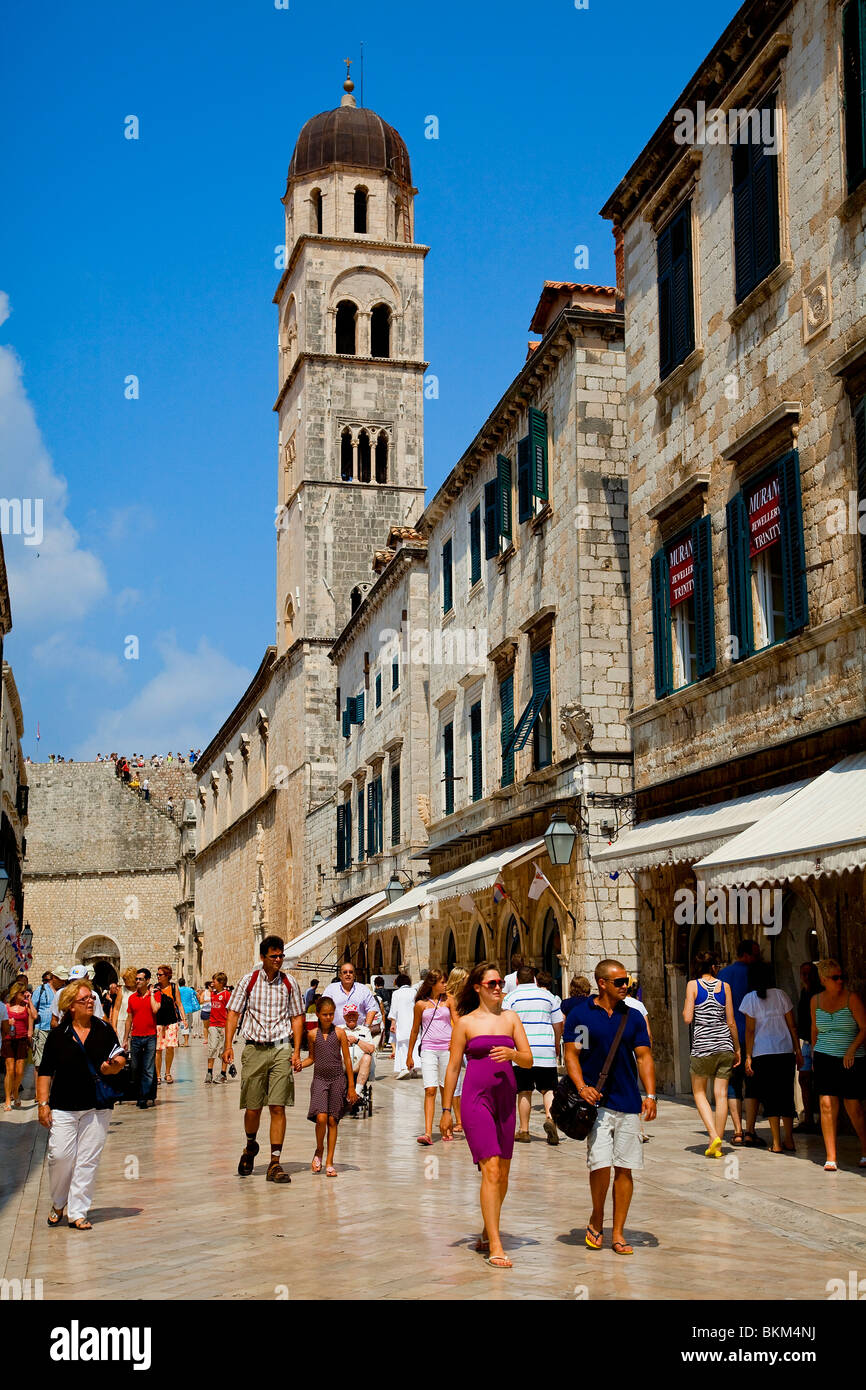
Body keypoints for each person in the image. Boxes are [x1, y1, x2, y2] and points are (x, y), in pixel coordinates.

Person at [441, 963, 532, 1269]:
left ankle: (487, 1227)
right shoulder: (465, 1023)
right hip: (476, 1100)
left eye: (500, 983)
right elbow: (453, 1067)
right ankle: (495, 1244)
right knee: (491, 1169)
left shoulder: (511, 1018)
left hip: (506, 1100)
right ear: (478, 987)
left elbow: (530, 1060)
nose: (497, 988)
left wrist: (513, 1055)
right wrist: (445, 1110)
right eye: (491, 983)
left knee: (503, 1172)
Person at [564, 959, 657, 1256]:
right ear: (602, 983)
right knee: (600, 1164)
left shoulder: (633, 1017)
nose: (625, 986)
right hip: (597, 1102)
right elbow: (572, 1055)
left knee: (626, 1168)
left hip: (628, 1101)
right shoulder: (581, 1016)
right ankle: (596, 1216)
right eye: (619, 982)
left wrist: (651, 1095)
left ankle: (618, 1232)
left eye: (627, 981)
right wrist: (582, 1087)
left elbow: (643, 1057)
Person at [36, 978, 127, 1229]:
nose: (90, 1002)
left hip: (97, 1105)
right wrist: (43, 1104)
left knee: (88, 1159)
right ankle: (58, 1201)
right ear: (71, 1006)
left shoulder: (103, 1029)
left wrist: (114, 1066)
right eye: (84, 999)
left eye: (92, 998)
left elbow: (118, 1057)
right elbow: (45, 1072)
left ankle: (78, 1211)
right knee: (60, 1155)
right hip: (63, 1104)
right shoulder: (58, 1036)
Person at [222, 935, 305, 1184]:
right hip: (254, 1049)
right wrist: (228, 1046)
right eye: (274, 956)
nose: (278, 960)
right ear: (263, 957)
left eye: (281, 956)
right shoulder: (249, 981)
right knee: (253, 1107)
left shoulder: (290, 983)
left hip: (281, 1048)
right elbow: (233, 1013)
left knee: (278, 1106)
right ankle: (250, 1146)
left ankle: (275, 1163)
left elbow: (297, 1017)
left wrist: (296, 1050)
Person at [811, 958, 866, 1172]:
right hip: (825, 1056)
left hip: (850, 1058)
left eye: (842, 976)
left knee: (853, 1107)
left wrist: (851, 1049)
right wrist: (815, 1055)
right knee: (826, 1105)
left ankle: (864, 1150)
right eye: (836, 977)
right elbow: (815, 1029)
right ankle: (831, 1156)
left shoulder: (852, 999)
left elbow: (864, 1027)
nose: (840, 980)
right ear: (824, 979)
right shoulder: (815, 1001)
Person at [682, 951, 739, 1157]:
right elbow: (731, 1020)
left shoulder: (692, 985)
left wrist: (687, 1010)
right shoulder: (725, 987)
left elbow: (688, 1018)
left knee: (699, 1092)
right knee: (721, 1094)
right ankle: (718, 1145)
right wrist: (737, 1048)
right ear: (714, 966)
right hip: (724, 1044)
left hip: (703, 1047)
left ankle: (713, 1134)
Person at [741, 961, 801, 1154]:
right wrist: (797, 1051)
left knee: (770, 1097)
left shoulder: (750, 999)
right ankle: (789, 1139)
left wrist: (748, 1056)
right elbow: (792, 1026)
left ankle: (776, 1142)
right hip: (784, 1051)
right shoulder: (781, 995)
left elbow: (750, 1031)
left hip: (762, 1053)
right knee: (786, 1094)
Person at [503, 965, 564, 1145]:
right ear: (535, 979)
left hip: (522, 1051)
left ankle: (524, 1130)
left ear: (516, 981)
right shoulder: (549, 997)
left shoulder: (511, 998)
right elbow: (558, 1024)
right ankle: (550, 1117)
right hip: (545, 1049)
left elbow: (505, 1024)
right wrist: (556, 1044)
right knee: (548, 1088)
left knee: (524, 1090)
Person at [301, 995, 356, 1176]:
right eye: (325, 1014)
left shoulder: (339, 1033)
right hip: (320, 1079)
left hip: (337, 1079)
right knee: (321, 1118)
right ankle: (319, 1149)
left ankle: (330, 1161)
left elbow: (347, 1060)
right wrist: (301, 1064)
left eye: (331, 1014)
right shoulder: (312, 1035)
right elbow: (312, 1058)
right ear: (317, 1014)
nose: (328, 1017)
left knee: (333, 1120)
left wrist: (351, 1086)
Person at [406, 970, 459, 1145]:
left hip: (447, 1049)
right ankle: (428, 1132)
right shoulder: (420, 1005)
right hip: (428, 1048)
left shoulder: (449, 1000)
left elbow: (458, 1024)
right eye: (442, 982)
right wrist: (409, 1054)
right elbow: (415, 1030)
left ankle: (447, 1127)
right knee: (430, 1089)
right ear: (433, 983)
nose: (445, 985)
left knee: (446, 1088)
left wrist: (457, 1043)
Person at [719, 939, 761, 1144]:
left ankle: (737, 1131)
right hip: (753, 1036)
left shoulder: (723, 975)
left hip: (729, 1037)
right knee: (752, 1082)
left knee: (733, 1083)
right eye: (755, 954)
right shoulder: (753, 973)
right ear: (745, 954)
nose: (758, 958)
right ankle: (750, 1130)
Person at [123, 968, 159, 1107]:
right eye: (137, 979)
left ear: (148, 980)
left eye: (140, 979)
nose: (137, 981)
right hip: (136, 1037)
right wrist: (125, 1039)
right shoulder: (132, 998)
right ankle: (139, 1094)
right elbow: (129, 1019)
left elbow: (155, 1009)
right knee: (135, 1068)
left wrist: (151, 995)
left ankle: (143, 1097)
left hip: (150, 1036)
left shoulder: (155, 996)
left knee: (148, 1068)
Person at [2, 980, 36, 1110]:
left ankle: (15, 1090)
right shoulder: (6, 1007)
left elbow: (34, 1015)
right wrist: (7, 1022)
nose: (25, 993)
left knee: (20, 1071)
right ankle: (7, 1099)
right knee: (10, 1071)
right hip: (8, 1039)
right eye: (23, 992)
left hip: (22, 1040)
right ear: (16, 993)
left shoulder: (26, 1006)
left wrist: (30, 1001)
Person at [795, 961, 820, 1132]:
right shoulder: (804, 992)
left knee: (818, 1081)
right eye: (803, 973)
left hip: (818, 1041)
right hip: (806, 1042)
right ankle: (809, 1118)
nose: (806, 977)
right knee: (803, 1078)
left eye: (809, 973)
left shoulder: (819, 993)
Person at [444, 967, 468, 1134]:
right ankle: (459, 1120)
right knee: (456, 1083)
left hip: (469, 1041)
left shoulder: (468, 998)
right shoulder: (447, 999)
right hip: (452, 1043)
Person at [154, 965, 186, 1084]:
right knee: (158, 1049)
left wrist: (184, 1019)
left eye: (160, 974)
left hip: (171, 1021)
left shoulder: (173, 987)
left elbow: (179, 1003)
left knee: (170, 1048)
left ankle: (167, 1072)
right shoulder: (154, 988)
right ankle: (157, 1075)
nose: (158, 976)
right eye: (157, 974)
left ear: (167, 976)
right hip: (158, 1022)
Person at [341, 1003, 376, 1113]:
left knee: (367, 1057)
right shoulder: (339, 1029)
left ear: (358, 1016)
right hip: (342, 1064)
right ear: (344, 1017)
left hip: (358, 1064)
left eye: (353, 1015)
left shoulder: (364, 1030)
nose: (351, 1017)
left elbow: (371, 1049)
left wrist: (357, 1041)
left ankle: (357, 1092)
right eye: (348, 1015)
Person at [322, 962, 378, 1029]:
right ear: (340, 976)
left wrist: (366, 1027)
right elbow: (323, 1008)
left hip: (358, 1031)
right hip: (336, 1032)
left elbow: (372, 1008)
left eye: (351, 972)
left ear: (354, 976)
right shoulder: (331, 989)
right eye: (345, 972)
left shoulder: (363, 989)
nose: (348, 974)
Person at [389, 972, 418, 1078]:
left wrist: (393, 1023)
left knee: (402, 1044)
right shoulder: (414, 992)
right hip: (413, 1022)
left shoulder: (396, 993)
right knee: (414, 1043)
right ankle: (414, 1067)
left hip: (401, 1022)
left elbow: (394, 1010)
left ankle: (404, 1067)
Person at [205, 973, 232, 1083]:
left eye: (214, 981)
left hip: (224, 1026)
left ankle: (223, 1074)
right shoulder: (213, 994)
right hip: (213, 1024)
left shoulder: (226, 995)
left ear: (221, 983)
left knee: (223, 1050)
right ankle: (209, 1072)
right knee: (212, 1047)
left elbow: (230, 1011)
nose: (212, 983)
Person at [31, 971, 59, 1069]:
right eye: (44, 980)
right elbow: (32, 1009)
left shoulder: (61, 991)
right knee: (40, 1062)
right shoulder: (41, 989)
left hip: (57, 1029)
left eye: (47, 980)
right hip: (42, 1028)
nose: (46, 982)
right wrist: (30, 1030)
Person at [111, 967, 138, 1042]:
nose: (124, 981)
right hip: (122, 1023)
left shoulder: (139, 991)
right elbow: (116, 1009)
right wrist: (114, 1026)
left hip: (136, 1024)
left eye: (126, 979)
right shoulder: (122, 990)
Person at [178, 978, 200, 1046]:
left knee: (183, 1025)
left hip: (182, 1010)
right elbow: (198, 995)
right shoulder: (190, 989)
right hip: (190, 1009)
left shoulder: (178, 990)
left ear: (179, 983)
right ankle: (186, 1041)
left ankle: (186, 1042)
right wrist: (198, 1002)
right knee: (188, 1025)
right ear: (185, 983)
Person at [200, 979, 212, 1045]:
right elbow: (201, 1001)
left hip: (213, 1011)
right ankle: (206, 1039)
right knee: (206, 1026)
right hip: (205, 1011)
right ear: (208, 986)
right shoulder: (204, 993)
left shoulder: (214, 993)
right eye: (211, 986)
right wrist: (207, 1001)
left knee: (213, 1026)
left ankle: (212, 1038)